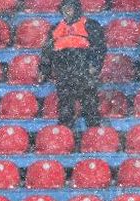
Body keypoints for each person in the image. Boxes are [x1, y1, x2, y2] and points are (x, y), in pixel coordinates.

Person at [41, 0, 106, 129]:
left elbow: (100, 47)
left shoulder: (89, 25)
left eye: (69, 8)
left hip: (85, 74)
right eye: (64, 9)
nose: (66, 12)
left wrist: (95, 65)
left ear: (77, 9)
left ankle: (93, 139)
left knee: (90, 109)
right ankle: (65, 138)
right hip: (64, 75)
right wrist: (44, 70)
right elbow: (47, 52)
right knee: (65, 110)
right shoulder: (56, 28)